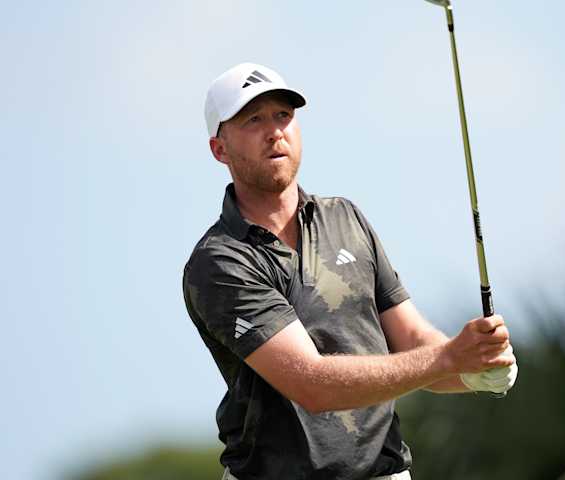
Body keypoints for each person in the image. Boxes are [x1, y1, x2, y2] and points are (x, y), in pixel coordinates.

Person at [182, 62, 518, 480]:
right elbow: (313, 385)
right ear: (220, 149)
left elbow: (412, 343)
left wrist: (474, 369)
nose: (275, 131)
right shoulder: (220, 261)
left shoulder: (346, 218)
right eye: (253, 120)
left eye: (283, 115)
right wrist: (450, 358)